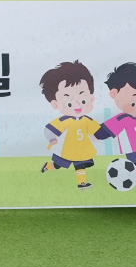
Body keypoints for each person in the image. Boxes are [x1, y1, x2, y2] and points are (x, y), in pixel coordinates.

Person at [38, 61, 101, 190]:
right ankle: (48, 166)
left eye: (83, 100)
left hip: (81, 148)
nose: (77, 105)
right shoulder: (64, 121)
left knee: (80, 164)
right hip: (65, 149)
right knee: (57, 165)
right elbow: (49, 129)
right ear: (55, 104)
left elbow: (96, 130)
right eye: (69, 104)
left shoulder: (87, 120)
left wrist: (96, 135)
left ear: (91, 98)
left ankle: (82, 183)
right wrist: (52, 139)